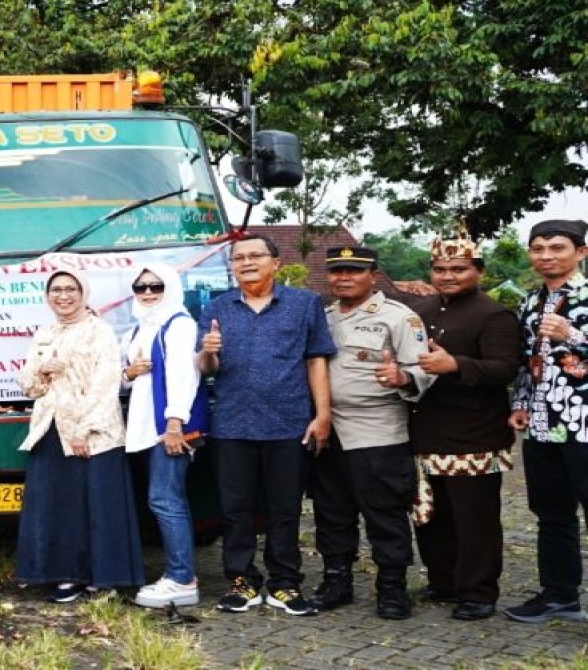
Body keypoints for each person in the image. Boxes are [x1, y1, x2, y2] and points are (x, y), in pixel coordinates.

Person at [198, 234, 335, 616]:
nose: (246, 262)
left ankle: (285, 582)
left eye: (255, 255)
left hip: (288, 423)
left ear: (275, 263)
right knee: (235, 509)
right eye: (238, 257)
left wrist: (322, 415)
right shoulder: (217, 307)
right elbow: (207, 368)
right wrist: (208, 353)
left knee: (285, 508)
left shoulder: (304, 303)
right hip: (231, 424)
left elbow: (316, 360)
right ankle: (241, 580)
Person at [310, 246, 432, 620]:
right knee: (331, 511)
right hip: (327, 430)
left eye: (354, 270)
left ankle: (392, 587)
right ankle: (337, 581)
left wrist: (402, 377)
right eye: (337, 271)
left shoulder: (399, 317)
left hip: (377, 430)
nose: (344, 277)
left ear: (373, 275)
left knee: (385, 512)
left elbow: (424, 369)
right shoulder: (322, 317)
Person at [406, 231, 522, 621]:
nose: (448, 276)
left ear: (479, 271)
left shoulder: (494, 315)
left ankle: (477, 592)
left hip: (474, 434)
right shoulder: (420, 310)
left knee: (474, 520)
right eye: (440, 269)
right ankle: (444, 581)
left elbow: (505, 368)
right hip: (425, 430)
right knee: (432, 515)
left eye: (458, 269)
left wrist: (456, 364)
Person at [15, 269, 145, 603]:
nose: (63, 296)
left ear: (83, 293)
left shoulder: (99, 331)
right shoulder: (45, 333)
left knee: (97, 506)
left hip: (93, 435)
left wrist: (83, 430)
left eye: (71, 289)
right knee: (59, 505)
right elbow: (29, 386)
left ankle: (104, 579)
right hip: (50, 431)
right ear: (47, 296)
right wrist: (42, 371)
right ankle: (66, 575)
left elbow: (106, 384)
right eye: (56, 290)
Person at [506, 219, 588, 624]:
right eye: (538, 248)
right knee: (552, 512)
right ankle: (560, 594)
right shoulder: (530, 302)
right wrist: (521, 402)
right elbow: (528, 361)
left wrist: (572, 335)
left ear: (581, 252)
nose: (546, 256)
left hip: (584, 423)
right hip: (543, 423)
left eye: (557, 248)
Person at [121, 265, 205, 609]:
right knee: (164, 499)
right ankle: (178, 574)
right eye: (140, 286)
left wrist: (174, 425)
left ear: (169, 287)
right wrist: (130, 372)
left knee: (166, 500)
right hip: (145, 428)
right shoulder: (142, 325)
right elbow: (127, 376)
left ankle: (182, 579)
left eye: (156, 285)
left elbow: (184, 376)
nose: (147, 292)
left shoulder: (179, 324)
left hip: (166, 428)